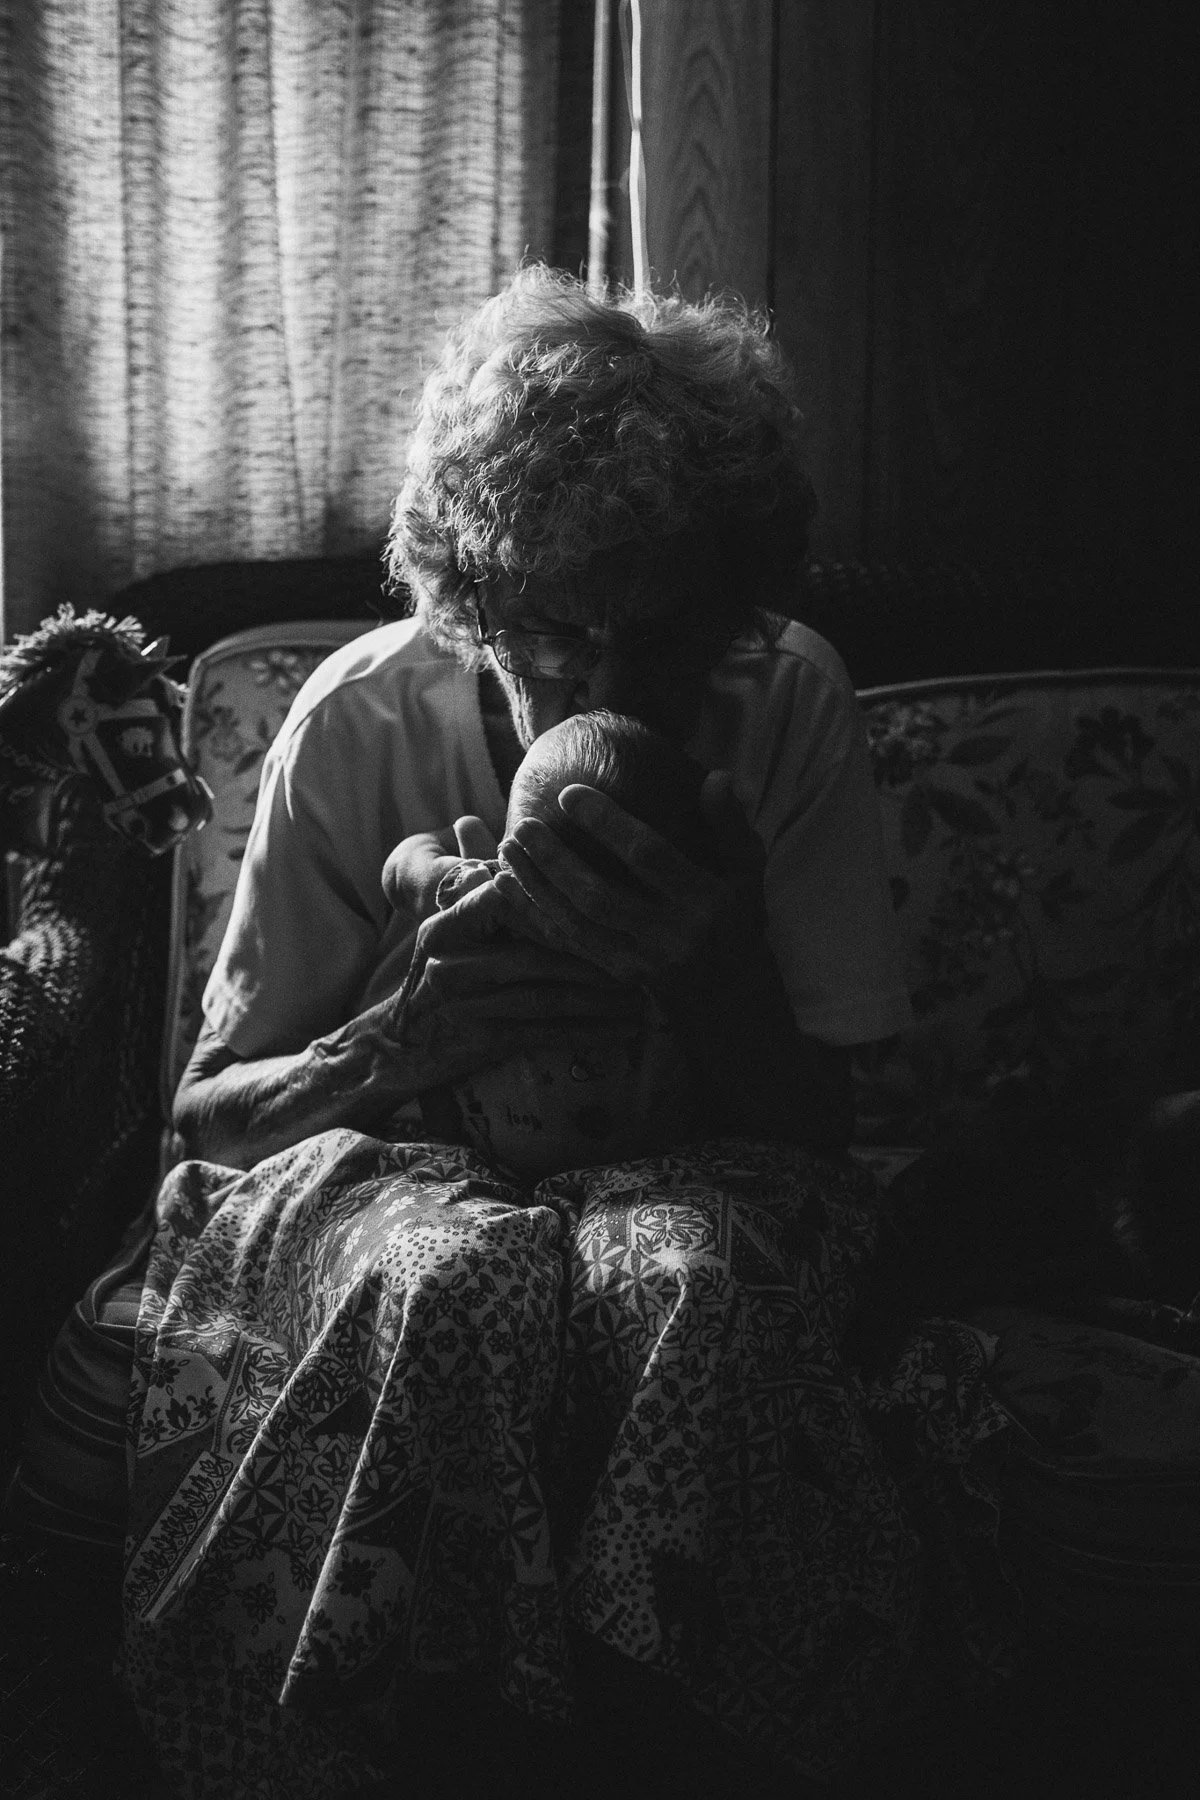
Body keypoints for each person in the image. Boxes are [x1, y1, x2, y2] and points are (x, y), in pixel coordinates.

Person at [115, 266, 1013, 1799]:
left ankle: (688, 1737)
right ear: (470, 590)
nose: (597, 685)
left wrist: (719, 977)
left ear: (732, 605)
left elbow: (835, 1122)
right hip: (388, 1167)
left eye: (654, 634)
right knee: (458, 1276)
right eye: (550, 628)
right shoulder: (357, 722)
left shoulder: (783, 705)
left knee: (688, 1280)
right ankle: (368, 1743)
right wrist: (391, 1040)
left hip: (688, 1167)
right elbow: (206, 1120)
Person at [389, 709, 719, 1181]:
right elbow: (406, 862)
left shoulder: (677, 955)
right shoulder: (489, 898)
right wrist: (438, 882)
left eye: (598, 886)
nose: (556, 914)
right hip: (475, 1169)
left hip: (647, 1182)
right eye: (529, 871)